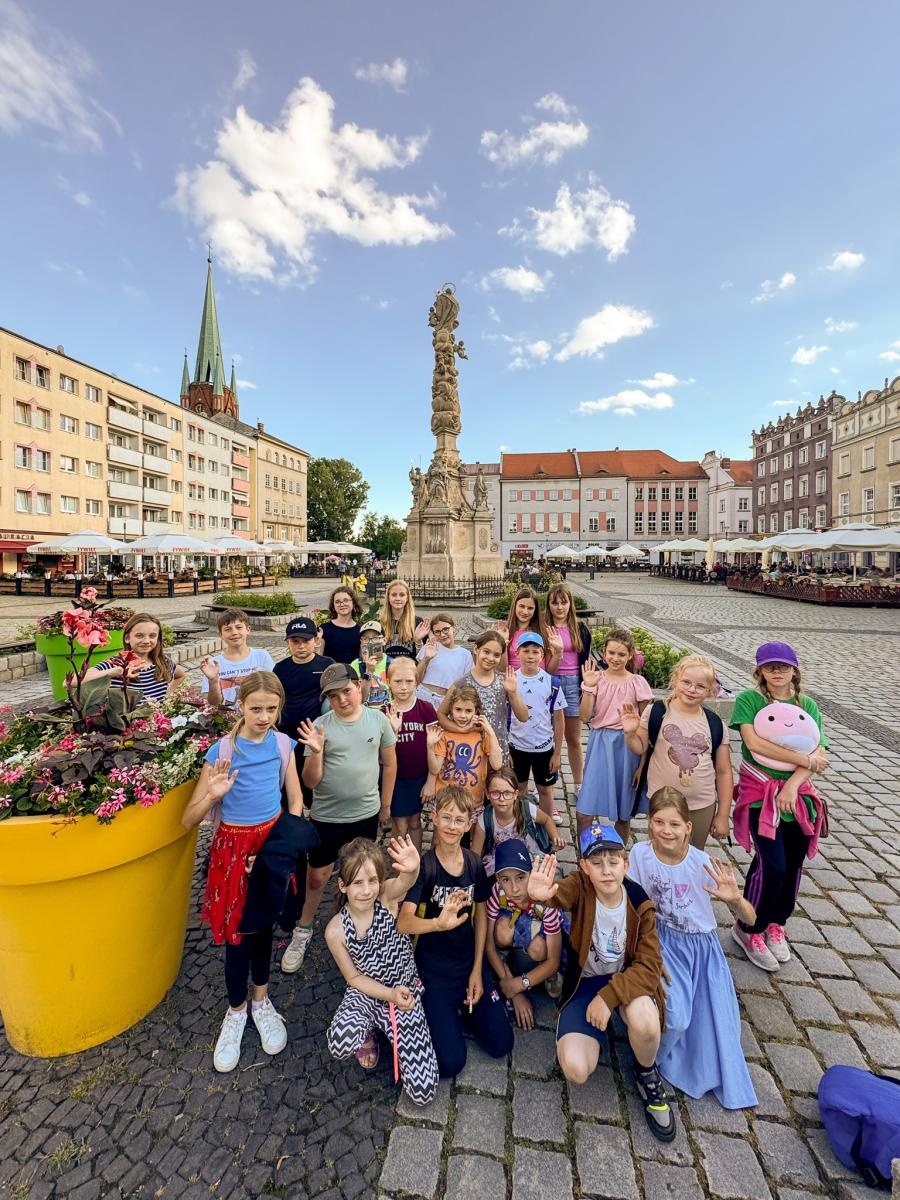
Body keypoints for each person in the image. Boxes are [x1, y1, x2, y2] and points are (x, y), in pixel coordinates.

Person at [182, 672, 303, 1072]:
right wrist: (213, 795)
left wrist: (276, 852)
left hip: (270, 846)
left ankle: (261, 1000)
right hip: (232, 849)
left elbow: (296, 802)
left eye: (271, 709)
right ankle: (236, 1011)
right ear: (240, 707)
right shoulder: (221, 751)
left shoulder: (283, 745)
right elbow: (189, 819)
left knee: (264, 927)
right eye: (256, 709)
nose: (264, 717)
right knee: (237, 935)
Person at [526, 826, 675, 1142]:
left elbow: (649, 967)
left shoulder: (640, 903)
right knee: (576, 1069)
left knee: (646, 1022)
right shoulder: (581, 887)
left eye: (613, 861)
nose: (606, 870)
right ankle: (585, 1026)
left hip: (624, 982)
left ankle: (646, 1072)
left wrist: (608, 998)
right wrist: (543, 896)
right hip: (585, 983)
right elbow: (560, 893)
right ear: (584, 867)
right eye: (596, 862)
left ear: (625, 864)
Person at [628, 788, 758, 1109]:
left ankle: (668, 1058)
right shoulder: (641, 854)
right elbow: (630, 903)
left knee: (711, 1024)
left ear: (688, 827)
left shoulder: (702, 864)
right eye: (659, 822)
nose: (666, 831)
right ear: (649, 822)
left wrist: (735, 900)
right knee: (675, 1015)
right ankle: (647, 1060)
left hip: (699, 949)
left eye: (674, 824)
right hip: (659, 939)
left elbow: (751, 919)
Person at [285, 664, 398, 972]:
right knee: (317, 877)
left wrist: (386, 805)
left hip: (365, 814)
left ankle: (363, 927)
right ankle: (303, 928)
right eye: (333, 696)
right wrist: (316, 751)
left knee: (362, 874)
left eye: (346, 691)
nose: (342, 700)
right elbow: (310, 782)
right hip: (327, 817)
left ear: (359, 686)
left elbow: (390, 764)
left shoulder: (378, 720)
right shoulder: (319, 727)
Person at [397, 786, 514, 1077]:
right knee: (451, 1063)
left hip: (468, 965)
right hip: (434, 973)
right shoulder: (425, 868)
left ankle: (463, 1013)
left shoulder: (474, 864)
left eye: (459, 820)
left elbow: (482, 914)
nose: (452, 826)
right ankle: (447, 1014)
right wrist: (437, 924)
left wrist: (477, 970)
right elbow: (404, 923)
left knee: (502, 1043)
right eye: (446, 818)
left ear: (469, 824)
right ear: (435, 818)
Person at [730, 642, 829, 972]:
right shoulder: (750, 701)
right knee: (771, 865)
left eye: (783, 666)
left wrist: (792, 784)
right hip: (759, 796)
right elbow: (754, 742)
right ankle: (749, 928)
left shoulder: (807, 705)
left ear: (794, 670)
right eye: (770, 666)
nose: (777, 672)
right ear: (759, 670)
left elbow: (820, 752)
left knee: (793, 866)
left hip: (797, 798)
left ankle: (776, 924)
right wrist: (805, 760)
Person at [325, 836, 440, 1103]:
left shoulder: (385, 898)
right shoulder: (335, 931)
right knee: (340, 1041)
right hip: (366, 994)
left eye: (372, 880)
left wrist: (412, 868)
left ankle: (398, 1035)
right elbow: (353, 978)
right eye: (357, 883)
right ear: (342, 885)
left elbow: (405, 882)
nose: (366, 890)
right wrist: (388, 994)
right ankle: (368, 1032)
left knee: (423, 1093)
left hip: (404, 992)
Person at [621, 655, 733, 849]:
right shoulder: (656, 712)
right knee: (660, 853)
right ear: (675, 680)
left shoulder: (715, 724)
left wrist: (722, 814)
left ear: (709, 690)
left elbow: (724, 772)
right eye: (686, 682)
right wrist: (630, 734)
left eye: (700, 686)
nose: (692, 689)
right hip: (661, 802)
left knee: (693, 855)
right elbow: (639, 748)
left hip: (701, 805)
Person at [578, 629, 652, 842]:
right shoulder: (597, 679)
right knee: (584, 813)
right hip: (600, 743)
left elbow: (646, 728)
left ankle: (618, 855)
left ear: (630, 655)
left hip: (628, 747)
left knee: (623, 813)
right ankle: (585, 853)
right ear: (604, 652)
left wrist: (642, 765)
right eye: (611, 653)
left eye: (621, 654)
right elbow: (584, 716)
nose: (615, 658)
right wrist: (589, 687)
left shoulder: (637, 683)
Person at [484, 839, 564, 1030]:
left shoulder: (547, 900)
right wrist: (512, 988)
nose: (514, 888)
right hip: (513, 921)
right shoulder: (497, 892)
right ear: (498, 879)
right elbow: (488, 945)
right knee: (501, 931)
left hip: (540, 933)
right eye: (506, 880)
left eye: (521, 877)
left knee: (539, 949)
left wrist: (519, 985)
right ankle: (507, 963)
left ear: (531, 873)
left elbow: (554, 960)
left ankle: (546, 975)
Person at [507, 633, 567, 825]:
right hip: (517, 747)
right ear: (517, 653)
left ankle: (546, 828)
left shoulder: (552, 683)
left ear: (542, 655)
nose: (530, 656)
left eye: (535, 651)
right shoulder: (511, 680)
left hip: (544, 747)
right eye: (526, 651)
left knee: (545, 789)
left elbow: (559, 720)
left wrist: (557, 753)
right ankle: (522, 825)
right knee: (519, 789)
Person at [444, 630, 527, 763]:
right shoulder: (460, 683)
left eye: (496, 655)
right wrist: (461, 729)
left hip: (498, 753)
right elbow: (441, 715)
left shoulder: (503, 681)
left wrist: (513, 693)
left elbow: (523, 717)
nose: (490, 658)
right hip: (470, 756)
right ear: (476, 649)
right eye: (486, 652)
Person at [543, 584, 593, 799]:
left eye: (563, 602)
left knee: (573, 738)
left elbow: (586, 658)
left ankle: (579, 783)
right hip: (550, 682)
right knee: (546, 737)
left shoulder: (579, 628)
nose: (559, 607)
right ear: (548, 605)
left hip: (572, 683)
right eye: (554, 602)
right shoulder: (544, 627)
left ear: (570, 603)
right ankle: (544, 784)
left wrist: (586, 686)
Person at [384, 654, 437, 853]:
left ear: (417, 682)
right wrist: (393, 731)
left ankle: (415, 862)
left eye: (409, 681)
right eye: (398, 681)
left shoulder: (426, 709)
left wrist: (431, 780)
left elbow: (436, 747)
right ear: (389, 682)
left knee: (415, 821)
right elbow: (382, 753)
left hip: (419, 777)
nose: (404, 687)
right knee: (399, 825)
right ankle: (399, 861)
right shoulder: (384, 712)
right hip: (396, 778)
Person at [471, 766, 565, 876]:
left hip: (530, 856)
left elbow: (546, 820)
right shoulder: (484, 819)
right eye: (495, 793)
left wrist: (555, 837)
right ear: (487, 794)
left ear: (515, 794)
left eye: (507, 793)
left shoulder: (526, 809)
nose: (502, 799)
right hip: (501, 861)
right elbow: (475, 855)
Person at [426, 683, 503, 815]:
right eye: (458, 709)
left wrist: (490, 732)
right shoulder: (444, 735)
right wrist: (430, 747)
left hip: (473, 800)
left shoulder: (483, 735)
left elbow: (497, 765)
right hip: (445, 800)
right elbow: (435, 769)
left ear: (476, 712)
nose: (462, 715)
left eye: (468, 711)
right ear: (451, 710)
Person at [84, 612, 185, 700]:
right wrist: (114, 672)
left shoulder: (162, 662)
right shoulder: (116, 664)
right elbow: (75, 681)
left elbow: (180, 676)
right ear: (127, 638)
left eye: (152, 636)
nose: (146, 641)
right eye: (139, 636)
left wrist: (168, 697)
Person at [198, 607, 275, 706]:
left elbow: (274, 690)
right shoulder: (213, 664)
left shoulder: (261, 656)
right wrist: (213, 681)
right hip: (227, 716)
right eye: (227, 629)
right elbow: (214, 704)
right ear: (221, 635)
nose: (234, 633)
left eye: (239, 627)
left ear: (248, 630)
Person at [415, 613, 474, 708]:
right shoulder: (430, 647)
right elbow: (416, 678)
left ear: (453, 628)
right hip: (423, 695)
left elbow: (466, 685)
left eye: (445, 629)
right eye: (437, 632)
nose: (442, 634)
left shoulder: (465, 654)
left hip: (446, 701)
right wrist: (426, 659)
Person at [496, 586, 545, 671]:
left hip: (538, 678)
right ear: (515, 606)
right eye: (521, 606)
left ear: (535, 610)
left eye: (530, 608)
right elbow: (502, 669)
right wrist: (502, 643)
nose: (525, 612)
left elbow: (548, 667)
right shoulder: (504, 631)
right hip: (513, 677)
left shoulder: (542, 631)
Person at [379, 579, 429, 660]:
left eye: (402, 595)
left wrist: (418, 642)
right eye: (394, 595)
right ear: (388, 597)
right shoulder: (379, 623)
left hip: (411, 667)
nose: (398, 598)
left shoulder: (417, 622)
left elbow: (423, 659)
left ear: (407, 598)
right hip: (386, 667)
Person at [351, 620, 391, 710]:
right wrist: (368, 671)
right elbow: (359, 699)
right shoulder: (356, 664)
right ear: (361, 642)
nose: (370, 642)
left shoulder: (392, 663)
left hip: (387, 713)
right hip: (365, 713)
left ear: (384, 640)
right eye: (365, 639)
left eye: (375, 638)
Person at [320, 586, 364, 665]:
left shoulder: (360, 631)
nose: (342, 604)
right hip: (329, 672)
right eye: (337, 602)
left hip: (352, 672)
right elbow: (318, 658)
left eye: (346, 600)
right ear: (333, 606)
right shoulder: (324, 629)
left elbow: (362, 660)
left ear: (353, 603)